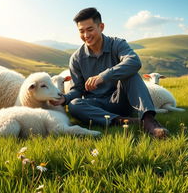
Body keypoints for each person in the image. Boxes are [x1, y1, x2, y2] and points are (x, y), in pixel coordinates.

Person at [51, 7, 168, 138]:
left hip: (122, 100)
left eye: (90, 29)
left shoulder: (117, 44)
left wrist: (103, 76)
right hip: (97, 106)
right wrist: (65, 98)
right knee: (74, 105)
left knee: (131, 73)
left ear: (101, 27)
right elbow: (78, 89)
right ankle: (123, 121)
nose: (86, 35)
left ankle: (149, 121)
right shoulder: (76, 58)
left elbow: (134, 62)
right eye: (81, 31)